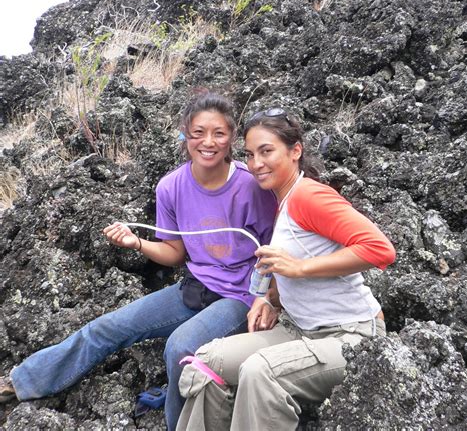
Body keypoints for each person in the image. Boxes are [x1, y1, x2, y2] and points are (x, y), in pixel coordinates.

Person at [0, 93, 277, 431]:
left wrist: (268, 299)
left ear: (232, 138)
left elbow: (274, 251)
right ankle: (23, 380)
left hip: (239, 298)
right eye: (198, 132)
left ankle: (178, 425)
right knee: (108, 327)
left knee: (180, 346)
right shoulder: (171, 187)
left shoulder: (251, 187)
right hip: (194, 288)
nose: (208, 142)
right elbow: (175, 253)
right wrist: (137, 243)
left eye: (219, 133)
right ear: (185, 134)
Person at [176, 107, 396, 431]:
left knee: (259, 372)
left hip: (352, 335)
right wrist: (268, 298)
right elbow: (296, 259)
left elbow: (380, 249)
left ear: (295, 151)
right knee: (209, 362)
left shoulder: (310, 195)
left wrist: (300, 268)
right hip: (297, 330)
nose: (256, 164)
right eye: (250, 155)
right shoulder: (283, 199)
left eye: (266, 151)